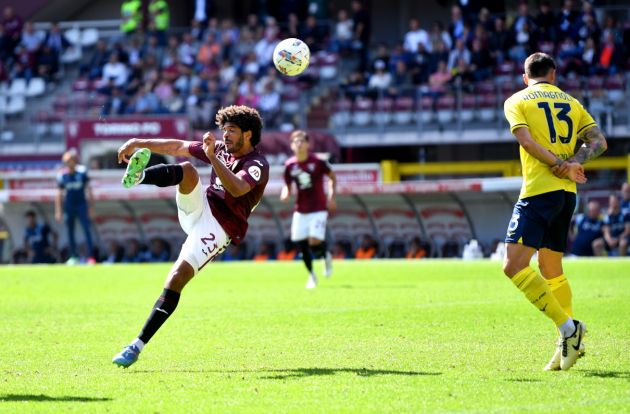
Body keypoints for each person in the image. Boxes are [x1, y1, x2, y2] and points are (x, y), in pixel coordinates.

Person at [112, 105, 268, 368]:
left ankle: (135, 346)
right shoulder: (219, 150)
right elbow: (177, 146)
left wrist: (212, 157)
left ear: (248, 134)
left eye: (232, 131)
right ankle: (139, 177)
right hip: (199, 208)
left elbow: (238, 188)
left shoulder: (257, 164)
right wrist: (137, 141)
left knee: (176, 278)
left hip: (219, 228)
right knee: (187, 169)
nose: (225, 135)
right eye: (224, 130)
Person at [502, 52, 607, 371]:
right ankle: (566, 346)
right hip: (566, 195)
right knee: (551, 268)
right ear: (554, 74)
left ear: (525, 76)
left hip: (538, 192)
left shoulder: (516, 100)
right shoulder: (572, 102)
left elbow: (527, 142)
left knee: (512, 265)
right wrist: (575, 162)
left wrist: (559, 164)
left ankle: (568, 328)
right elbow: (598, 142)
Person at [280, 130, 336, 289]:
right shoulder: (290, 165)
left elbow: (332, 177)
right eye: (295, 141)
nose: (299, 143)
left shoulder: (318, 162)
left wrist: (331, 197)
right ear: (291, 145)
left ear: (307, 144)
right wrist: (286, 193)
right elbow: (287, 185)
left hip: (318, 208)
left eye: (301, 141)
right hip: (300, 210)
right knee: (301, 244)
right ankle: (312, 275)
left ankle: (326, 256)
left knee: (314, 242)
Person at [55, 149, 96, 264]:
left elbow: (89, 190)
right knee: (70, 231)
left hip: (82, 205)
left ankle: (90, 257)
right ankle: (73, 256)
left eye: (71, 161)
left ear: (75, 161)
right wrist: (58, 211)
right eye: (67, 161)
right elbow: (59, 194)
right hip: (69, 206)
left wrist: (91, 207)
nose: (69, 163)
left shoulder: (82, 172)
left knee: (86, 230)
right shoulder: (62, 175)